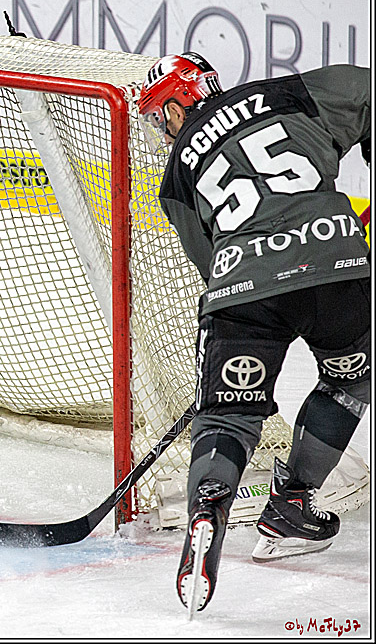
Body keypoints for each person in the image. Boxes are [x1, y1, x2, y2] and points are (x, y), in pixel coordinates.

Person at [137, 53, 371, 614]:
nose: (160, 129)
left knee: (227, 416)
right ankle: (291, 503)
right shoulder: (289, 93)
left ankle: (210, 507)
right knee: (348, 380)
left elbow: (211, 260)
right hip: (335, 264)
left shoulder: (175, 175)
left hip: (242, 287)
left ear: (178, 101)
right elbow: (366, 90)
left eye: (158, 116)